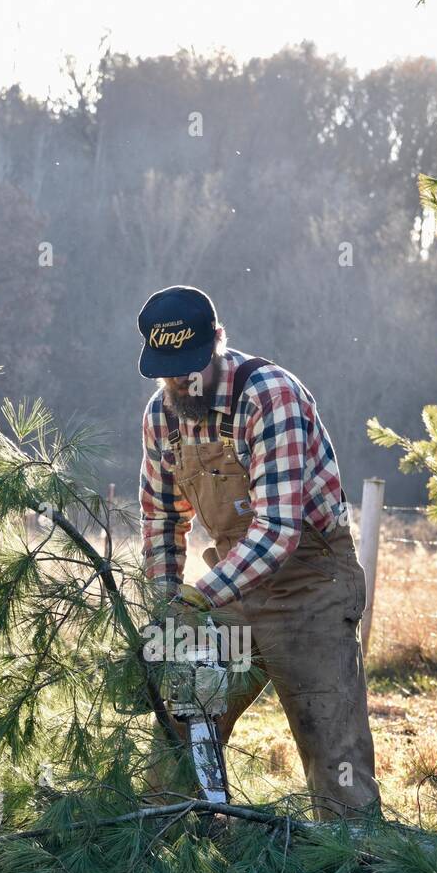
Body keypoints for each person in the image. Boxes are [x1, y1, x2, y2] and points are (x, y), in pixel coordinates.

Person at [138, 283, 380, 819]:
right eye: (170, 368)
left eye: (192, 363)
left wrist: (197, 600)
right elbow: (161, 518)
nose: (183, 379)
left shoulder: (270, 396)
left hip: (310, 587)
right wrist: (163, 607)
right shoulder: (161, 418)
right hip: (232, 588)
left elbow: (277, 530)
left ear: (219, 342)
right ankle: (154, 867)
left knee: (334, 760)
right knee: (178, 737)